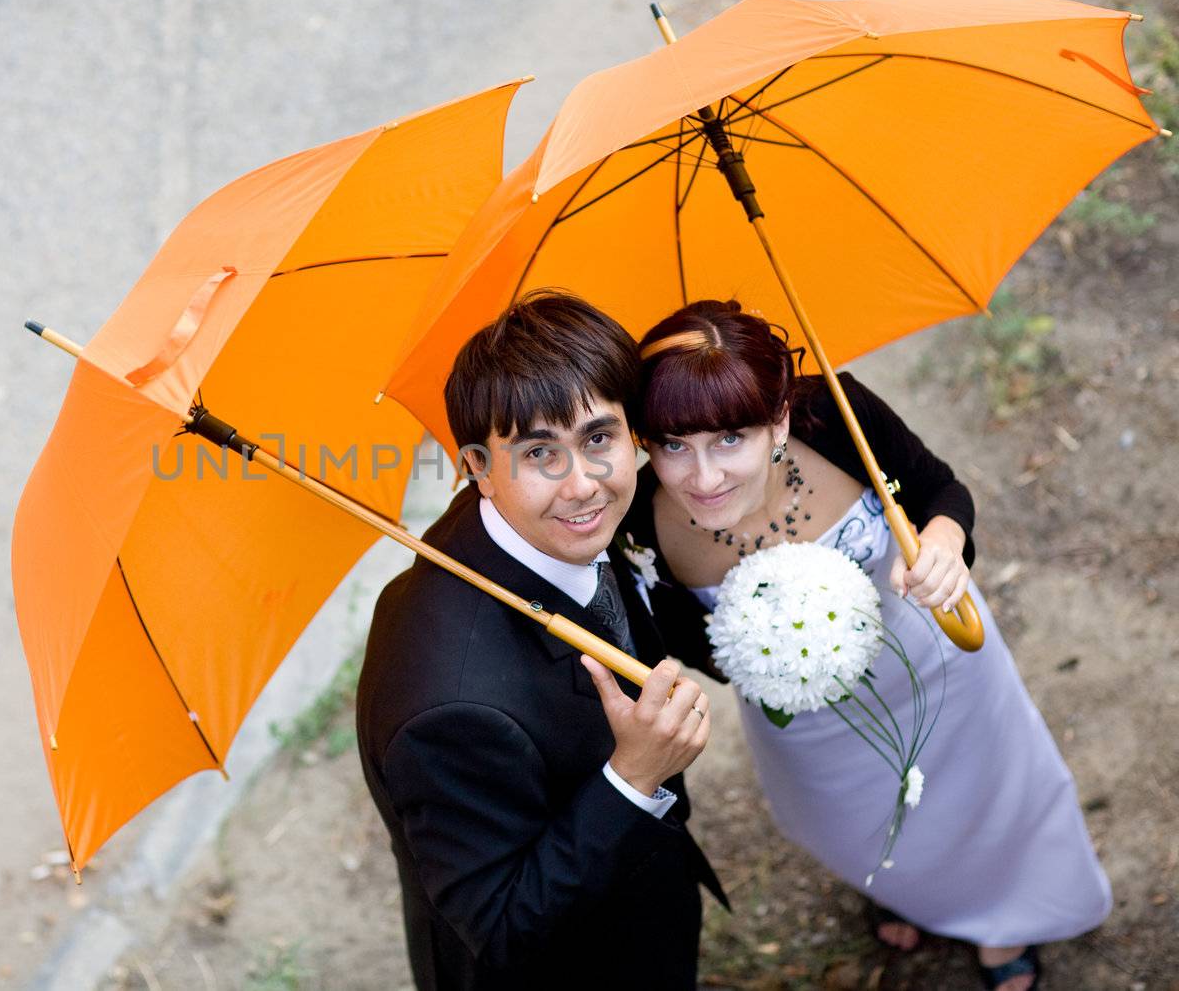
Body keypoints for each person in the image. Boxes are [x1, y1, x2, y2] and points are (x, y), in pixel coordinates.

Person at [621, 299, 1111, 991]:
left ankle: (1004, 926)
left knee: (980, 797)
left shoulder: (836, 414)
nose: (701, 477)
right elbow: (680, 648)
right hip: (809, 725)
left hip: (937, 669)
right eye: (672, 445)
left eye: (730, 438)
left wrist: (942, 542)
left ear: (779, 419)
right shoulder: (638, 520)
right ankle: (909, 887)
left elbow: (942, 488)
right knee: (867, 827)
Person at [355, 293, 725, 990]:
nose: (582, 484)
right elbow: (499, 926)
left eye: (597, 438)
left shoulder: (549, 522)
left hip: (644, 902)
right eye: (538, 453)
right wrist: (634, 778)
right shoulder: (449, 708)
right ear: (476, 465)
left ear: (633, 434)